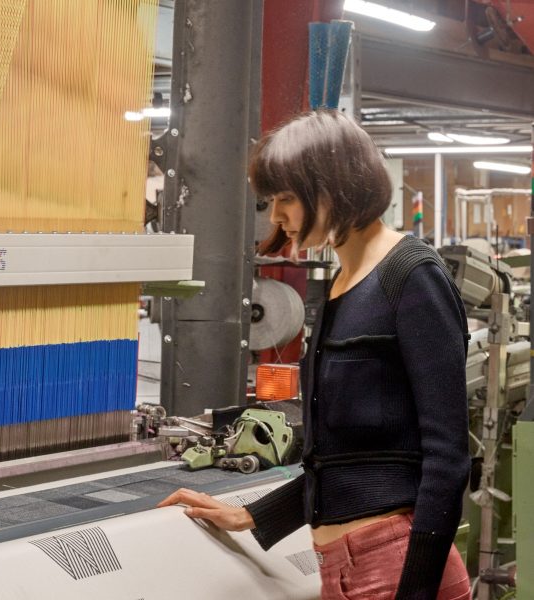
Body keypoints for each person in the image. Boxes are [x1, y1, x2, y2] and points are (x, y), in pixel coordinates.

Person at [158, 110, 471, 600]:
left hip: (395, 566)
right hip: (346, 568)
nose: (277, 215)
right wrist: (251, 516)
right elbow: (339, 461)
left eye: (286, 198)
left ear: (332, 190)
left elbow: (449, 458)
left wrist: (414, 592)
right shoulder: (341, 287)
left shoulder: (411, 277)